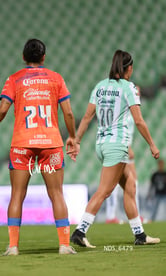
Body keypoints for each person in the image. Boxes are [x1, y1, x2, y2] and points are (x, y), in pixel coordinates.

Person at [0, 38, 79, 255]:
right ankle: (64, 245)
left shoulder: (14, 79)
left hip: (22, 144)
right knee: (56, 194)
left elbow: (3, 109)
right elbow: (69, 112)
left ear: (23, 57)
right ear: (43, 57)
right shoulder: (56, 79)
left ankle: (13, 247)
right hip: (51, 143)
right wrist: (72, 136)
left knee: (17, 194)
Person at [71, 50, 160, 247]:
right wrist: (152, 145)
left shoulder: (100, 87)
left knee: (130, 184)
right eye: (132, 67)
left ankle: (140, 235)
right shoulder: (128, 88)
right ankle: (79, 231)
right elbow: (139, 121)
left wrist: (77, 140)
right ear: (128, 68)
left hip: (101, 145)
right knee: (104, 191)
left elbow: (86, 117)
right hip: (117, 145)